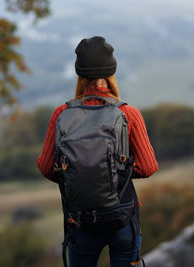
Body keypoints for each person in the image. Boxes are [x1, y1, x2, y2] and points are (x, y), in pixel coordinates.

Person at [37, 36, 158, 267]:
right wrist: (113, 171)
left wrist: (79, 173)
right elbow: (148, 166)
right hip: (121, 217)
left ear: (79, 75)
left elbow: (45, 167)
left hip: (79, 219)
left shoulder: (61, 114)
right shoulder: (128, 113)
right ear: (111, 74)